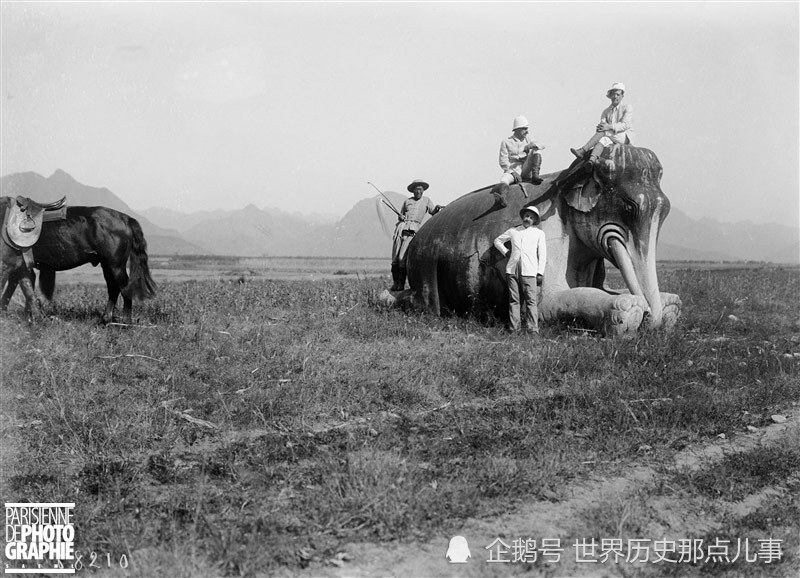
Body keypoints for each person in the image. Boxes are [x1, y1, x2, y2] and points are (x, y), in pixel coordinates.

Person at [493, 205, 546, 333]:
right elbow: (497, 241)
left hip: (530, 270)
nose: (528, 219)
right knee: (514, 300)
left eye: (531, 217)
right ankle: (514, 329)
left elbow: (542, 254)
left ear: (535, 220)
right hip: (512, 270)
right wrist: (506, 252)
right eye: (527, 216)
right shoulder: (513, 231)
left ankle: (533, 330)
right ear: (523, 217)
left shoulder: (539, 233)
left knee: (531, 301)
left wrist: (540, 272)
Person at [390, 179, 443, 291]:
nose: (419, 191)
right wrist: (401, 217)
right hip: (401, 230)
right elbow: (400, 216)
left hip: (413, 231)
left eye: (421, 189)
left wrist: (437, 209)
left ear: (423, 191)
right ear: (413, 191)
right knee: (395, 259)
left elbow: (433, 212)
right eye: (417, 189)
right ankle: (396, 284)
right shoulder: (407, 201)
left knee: (401, 258)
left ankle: (401, 284)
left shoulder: (427, 201)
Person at [570, 82, 634, 168]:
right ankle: (591, 160)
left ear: (622, 96)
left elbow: (625, 125)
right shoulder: (606, 111)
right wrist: (600, 127)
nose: (615, 97)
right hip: (610, 136)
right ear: (610, 96)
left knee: (604, 132)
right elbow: (602, 125)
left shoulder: (627, 107)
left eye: (618, 94)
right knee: (602, 140)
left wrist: (608, 127)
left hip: (623, 136)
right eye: (613, 94)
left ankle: (583, 150)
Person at [494, 116, 545, 208]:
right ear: (517, 129)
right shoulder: (506, 142)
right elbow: (503, 161)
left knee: (537, 149)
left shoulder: (528, 139)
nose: (527, 131)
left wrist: (532, 145)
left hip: (525, 168)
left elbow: (543, 145)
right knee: (504, 180)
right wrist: (512, 172)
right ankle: (502, 198)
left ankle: (535, 174)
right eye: (524, 129)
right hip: (513, 170)